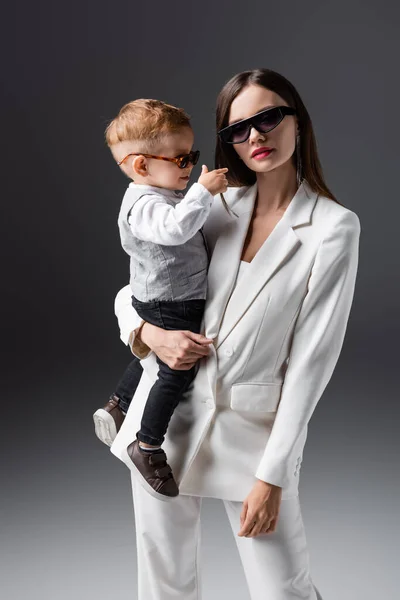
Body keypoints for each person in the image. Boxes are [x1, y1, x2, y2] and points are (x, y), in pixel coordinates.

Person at [110, 68, 361, 600]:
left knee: (283, 590)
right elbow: (135, 288)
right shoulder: (211, 205)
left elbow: (313, 361)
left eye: (269, 118)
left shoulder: (333, 228)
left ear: (298, 121)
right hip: (160, 431)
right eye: (238, 129)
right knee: (164, 588)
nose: (256, 137)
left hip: (252, 439)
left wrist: (275, 475)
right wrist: (151, 334)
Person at [92, 98, 228, 499]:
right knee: (176, 371)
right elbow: (174, 230)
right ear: (141, 166)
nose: (189, 166)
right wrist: (202, 192)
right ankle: (147, 444)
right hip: (169, 302)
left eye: (192, 156)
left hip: (169, 297)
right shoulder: (145, 203)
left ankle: (118, 405)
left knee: (151, 357)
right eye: (181, 159)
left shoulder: (160, 193)